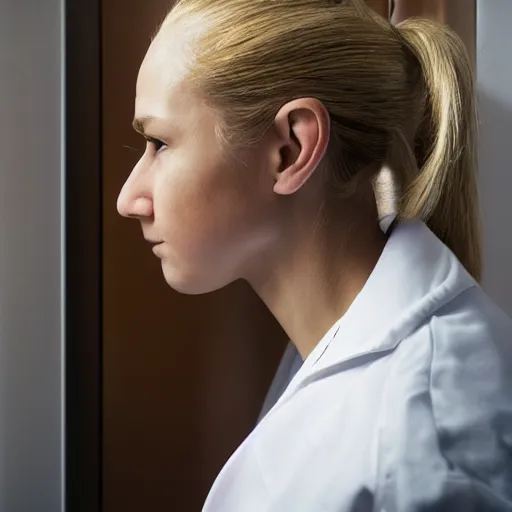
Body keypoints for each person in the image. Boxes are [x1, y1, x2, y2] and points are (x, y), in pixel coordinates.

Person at [116, 0, 512, 509]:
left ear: (291, 150)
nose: (128, 198)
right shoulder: (337, 351)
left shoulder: (425, 442)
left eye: (159, 143)